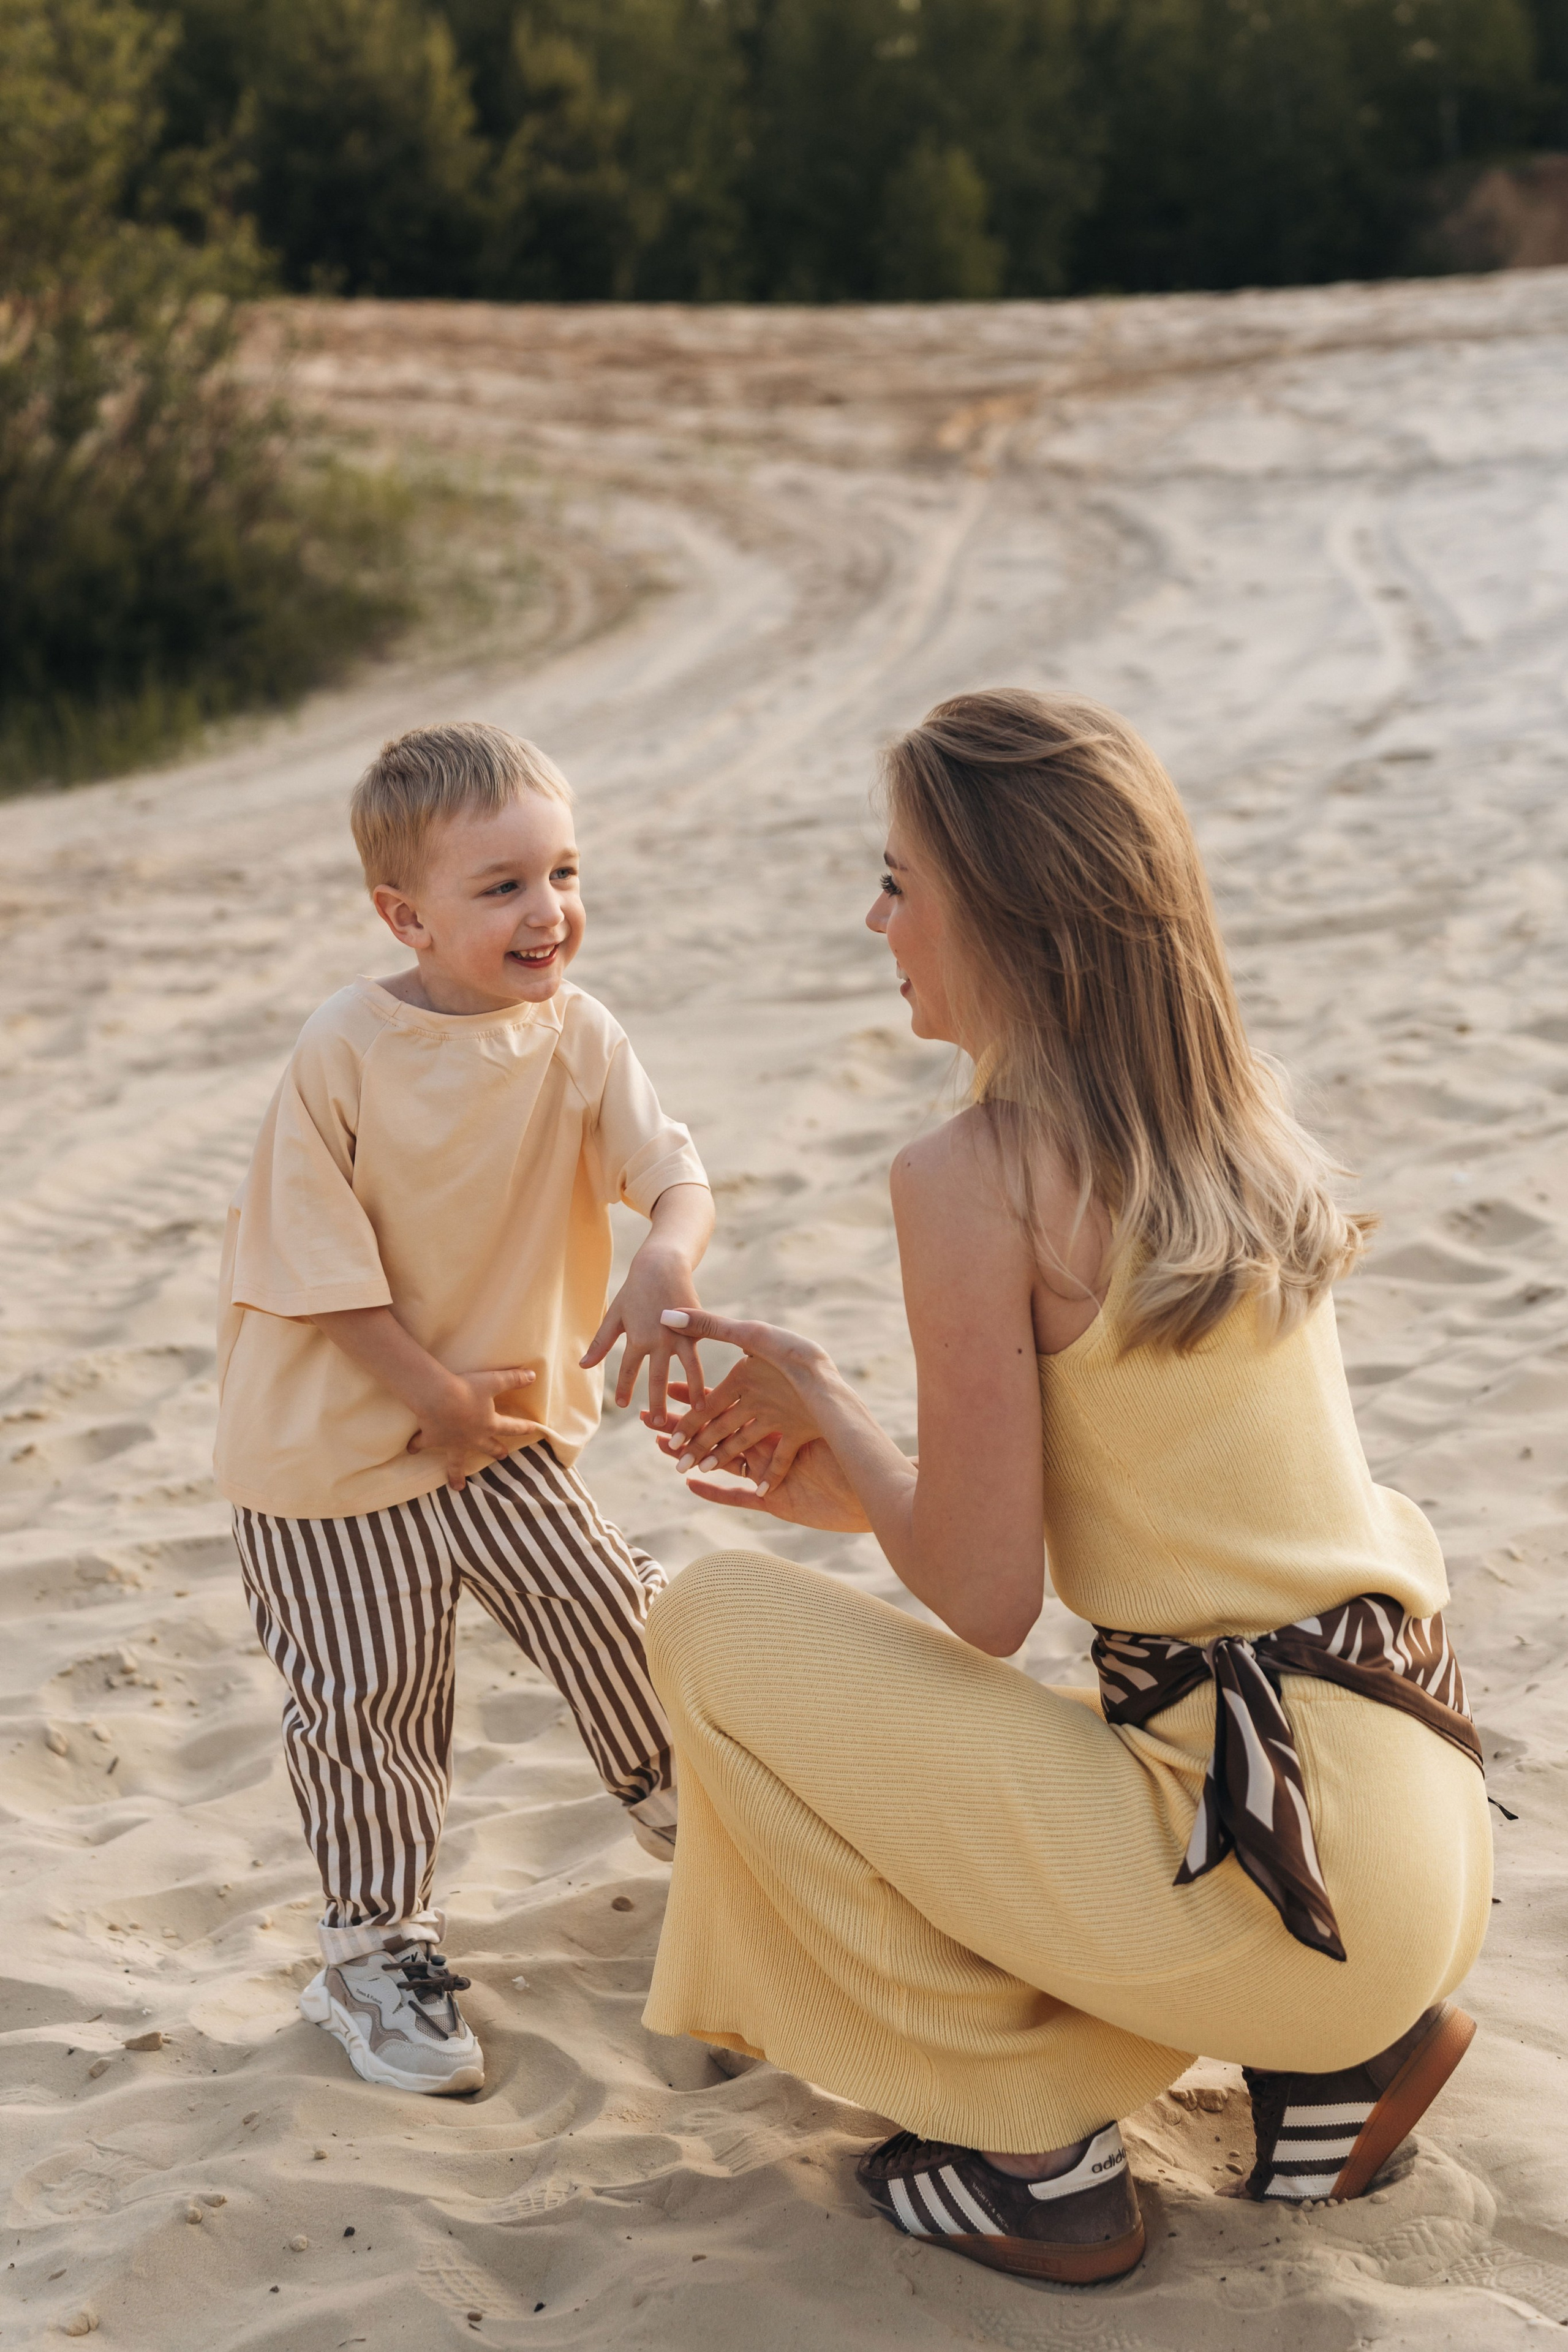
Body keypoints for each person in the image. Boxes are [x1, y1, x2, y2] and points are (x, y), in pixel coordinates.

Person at [636, 688, 1490, 2285]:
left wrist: (819, 1390)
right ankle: (1339, 2070)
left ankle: (1034, 2152)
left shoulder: (971, 1175)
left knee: (703, 1625)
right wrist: (846, 1478)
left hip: (1268, 1879)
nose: (874, 916)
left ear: (1007, 921)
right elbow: (1155, 1507)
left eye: (900, 880)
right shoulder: (1234, 1125)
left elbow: (982, 1599)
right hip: (1414, 1848)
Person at [214, 721, 713, 2096]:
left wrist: (667, 1254)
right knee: (372, 1699)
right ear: (405, 916)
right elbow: (309, 1267)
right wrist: (427, 1395)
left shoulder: (579, 1037)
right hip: (331, 1451)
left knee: (608, 1601)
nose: (545, 910)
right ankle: (374, 1951)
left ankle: (697, 1815)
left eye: (561, 871)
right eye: (499, 887)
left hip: (499, 1428)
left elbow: (673, 1174)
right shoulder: (346, 1049)